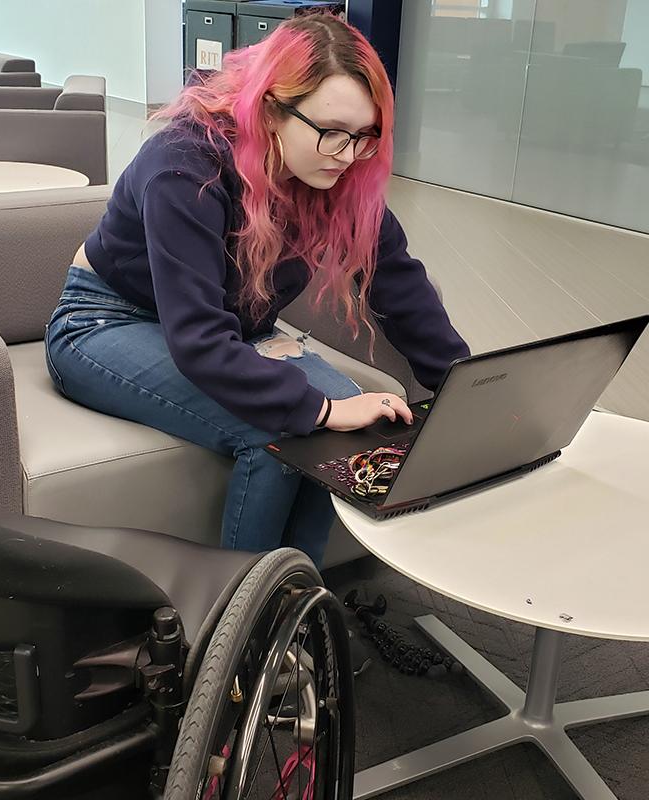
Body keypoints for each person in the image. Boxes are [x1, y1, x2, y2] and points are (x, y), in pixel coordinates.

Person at [45, 13, 469, 568]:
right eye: (331, 132)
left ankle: (297, 594)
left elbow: (396, 278)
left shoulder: (333, 174)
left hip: (233, 328)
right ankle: (241, 610)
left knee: (347, 429)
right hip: (105, 321)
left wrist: (466, 387)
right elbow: (198, 339)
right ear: (270, 108)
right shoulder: (184, 166)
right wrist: (319, 409)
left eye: (364, 137)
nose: (347, 155)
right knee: (278, 428)